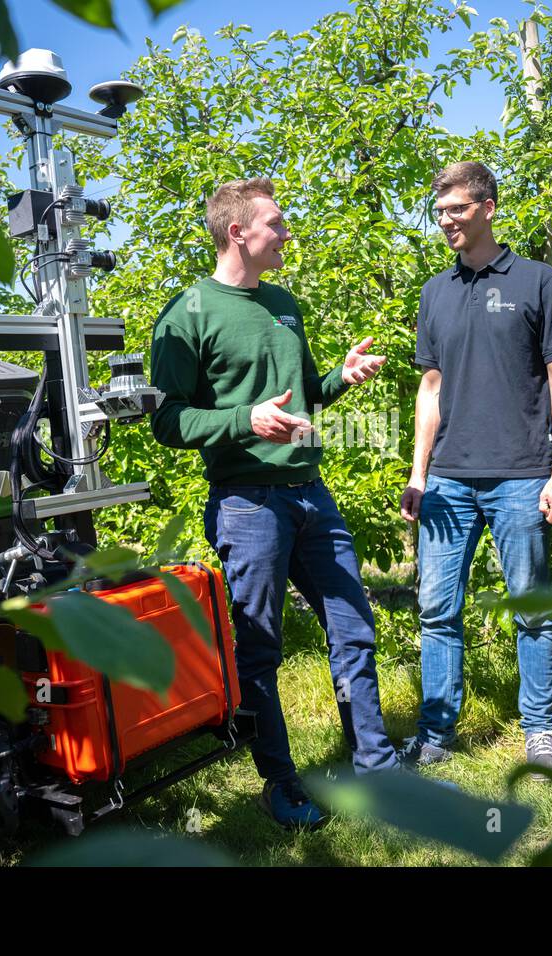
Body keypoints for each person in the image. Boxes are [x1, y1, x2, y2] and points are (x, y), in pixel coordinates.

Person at [150, 177, 399, 828]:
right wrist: (243, 420)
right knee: (260, 649)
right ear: (239, 232)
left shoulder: (284, 303)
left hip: (311, 494)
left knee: (354, 629)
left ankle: (376, 766)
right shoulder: (188, 314)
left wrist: (339, 380)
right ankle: (281, 783)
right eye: (278, 224)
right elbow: (168, 421)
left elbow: (301, 401)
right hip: (247, 505)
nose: (288, 234)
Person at [399, 161, 552, 778]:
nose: (445, 220)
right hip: (447, 477)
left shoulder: (537, 281)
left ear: (489, 207)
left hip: (524, 474)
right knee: (437, 609)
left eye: (457, 209)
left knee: (530, 607)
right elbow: (430, 386)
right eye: (440, 211)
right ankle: (436, 733)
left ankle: (539, 731)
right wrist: (419, 472)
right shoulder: (435, 291)